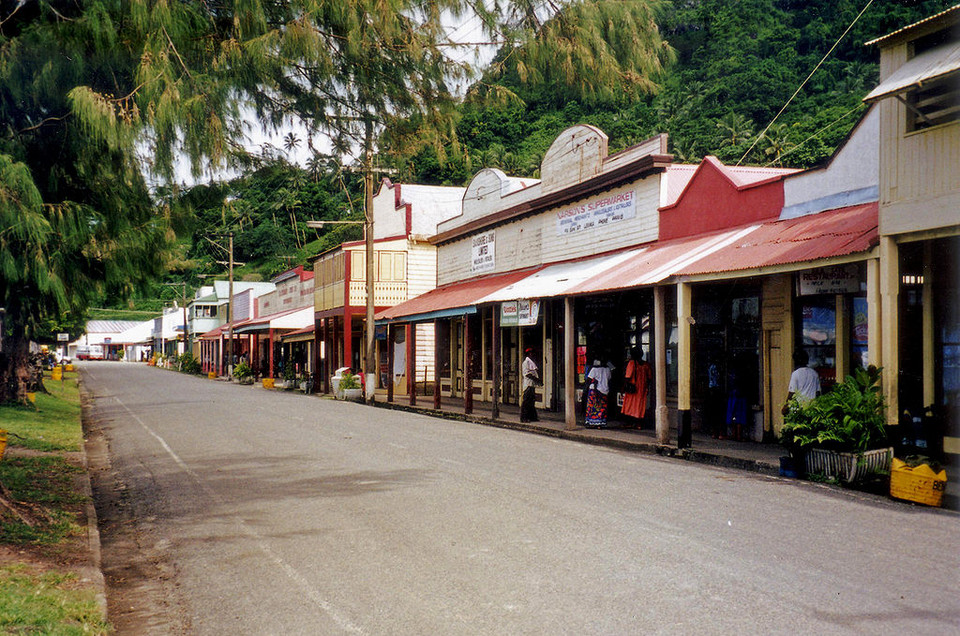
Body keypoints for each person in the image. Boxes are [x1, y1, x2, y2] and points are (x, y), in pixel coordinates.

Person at [782, 349, 821, 415]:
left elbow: (792, 393)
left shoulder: (796, 374)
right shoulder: (814, 373)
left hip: (800, 408)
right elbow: (818, 393)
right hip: (812, 408)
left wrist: (786, 406)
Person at [621, 348, 652, 427]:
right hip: (643, 388)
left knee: (630, 405)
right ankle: (639, 423)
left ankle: (630, 423)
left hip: (633, 387)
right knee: (640, 405)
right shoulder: (646, 364)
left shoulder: (632, 363)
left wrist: (623, 387)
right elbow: (649, 377)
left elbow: (628, 376)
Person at [585, 358, 613, 428]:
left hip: (594, 391)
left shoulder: (594, 369)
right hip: (604, 390)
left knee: (593, 407)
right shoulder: (608, 369)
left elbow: (589, 380)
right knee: (602, 407)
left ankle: (592, 422)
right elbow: (610, 378)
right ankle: (601, 422)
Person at [520, 347, 540, 423]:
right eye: (531, 353)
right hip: (528, 384)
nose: (532, 354)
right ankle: (524, 418)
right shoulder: (526, 363)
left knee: (532, 401)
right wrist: (536, 380)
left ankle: (532, 417)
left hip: (532, 384)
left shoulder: (531, 363)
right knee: (526, 402)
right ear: (528, 354)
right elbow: (527, 374)